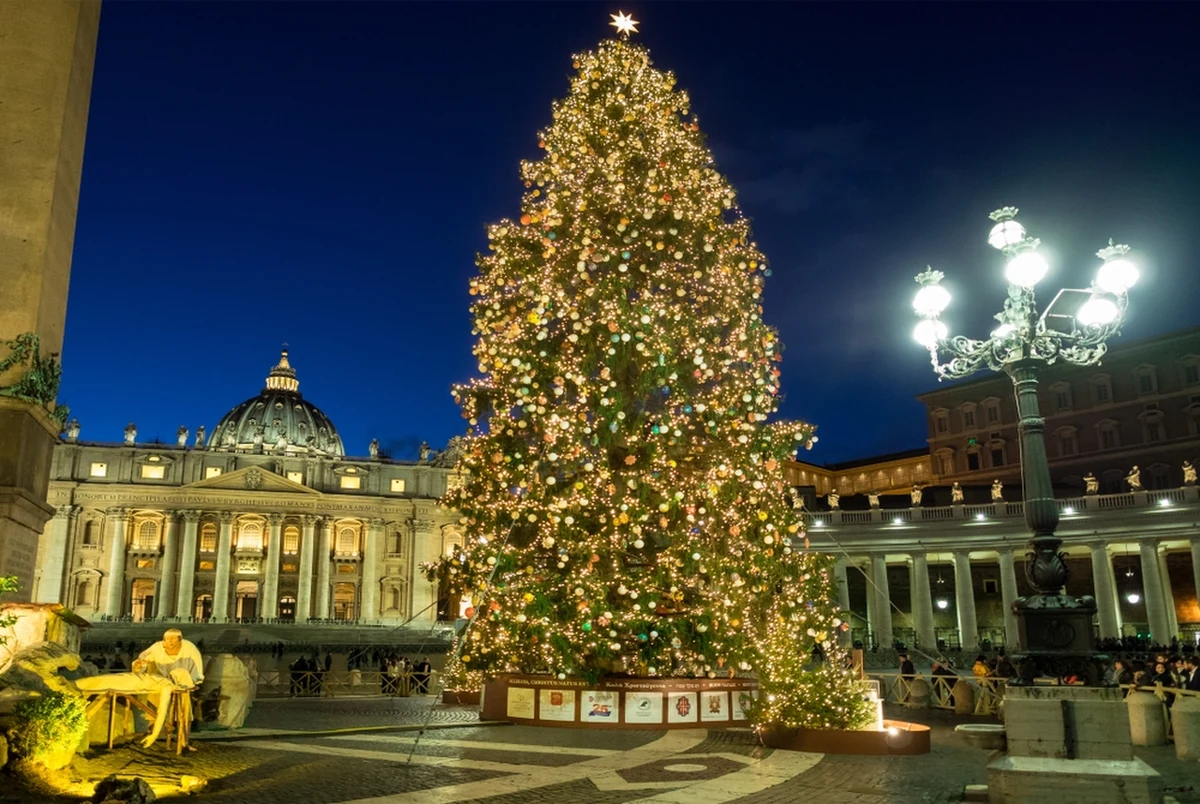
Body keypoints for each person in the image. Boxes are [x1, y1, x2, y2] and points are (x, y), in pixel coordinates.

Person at [77, 628, 204, 749]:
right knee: (102, 681)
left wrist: (190, 682)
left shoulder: (187, 653)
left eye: (172, 640)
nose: (168, 642)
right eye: (166, 639)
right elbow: (142, 660)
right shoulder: (158, 648)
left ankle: (183, 741)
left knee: (184, 713)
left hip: (137, 682)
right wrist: (139, 665)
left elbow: (162, 712)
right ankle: (75, 685)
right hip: (139, 679)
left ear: (180, 640)